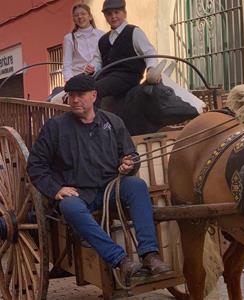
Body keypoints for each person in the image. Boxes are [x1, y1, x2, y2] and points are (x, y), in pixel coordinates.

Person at [27, 74, 171, 283]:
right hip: (78, 192)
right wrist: (56, 189)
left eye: (81, 95)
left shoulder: (113, 122)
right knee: (70, 207)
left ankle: (150, 255)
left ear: (94, 96)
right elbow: (36, 165)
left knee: (138, 186)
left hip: (110, 188)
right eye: (71, 95)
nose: (75, 99)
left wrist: (129, 164)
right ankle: (121, 260)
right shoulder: (55, 127)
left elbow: (132, 155)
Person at [86, 0, 158, 107]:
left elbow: (149, 52)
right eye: (109, 14)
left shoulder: (134, 32)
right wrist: (92, 68)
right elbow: (98, 60)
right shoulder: (103, 40)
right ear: (105, 17)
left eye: (116, 12)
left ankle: (95, 122)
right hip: (107, 77)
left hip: (128, 77)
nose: (113, 16)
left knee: (94, 90)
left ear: (124, 13)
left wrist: (151, 68)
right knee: (82, 86)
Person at [62, 4, 105, 82]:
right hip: (79, 79)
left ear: (90, 17)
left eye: (83, 14)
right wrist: (70, 82)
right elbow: (67, 64)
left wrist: (95, 68)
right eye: (76, 15)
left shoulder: (101, 35)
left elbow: (105, 58)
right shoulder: (69, 38)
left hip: (100, 76)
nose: (80, 17)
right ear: (74, 19)